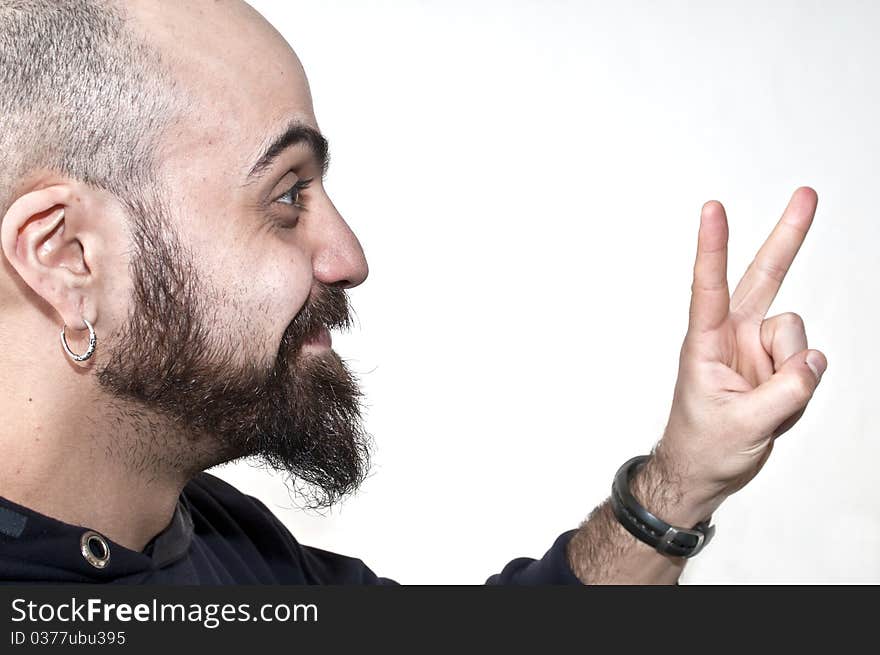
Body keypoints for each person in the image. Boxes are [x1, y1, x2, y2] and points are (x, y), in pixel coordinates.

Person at [0, 0, 827, 585]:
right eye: (286, 195)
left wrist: (681, 478)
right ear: (67, 254)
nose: (348, 256)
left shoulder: (222, 544)